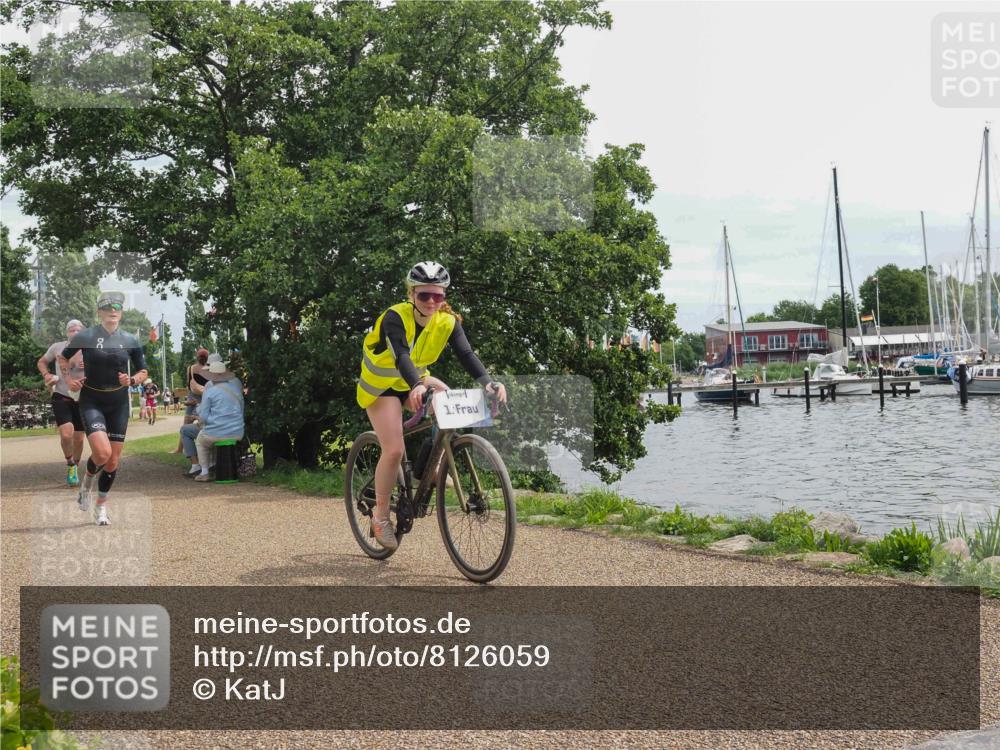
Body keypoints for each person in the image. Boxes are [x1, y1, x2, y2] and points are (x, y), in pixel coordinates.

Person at [356, 261, 506, 550]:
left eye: (438, 296)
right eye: (424, 295)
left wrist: (488, 382)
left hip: (415, 380)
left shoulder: (447, 322)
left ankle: (431, 468)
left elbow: (466, 354)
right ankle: (381, 517)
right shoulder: (394, 317)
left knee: (449, 403)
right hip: (381, 386)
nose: (431, 302)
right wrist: (416, 385)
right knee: (394, 449)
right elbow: (401, 356)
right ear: (411, 294)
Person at [59, 291, 148, 526]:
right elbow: (62, 358)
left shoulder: (130, 340)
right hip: (92, 401)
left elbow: (143, 371)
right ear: (99, 312)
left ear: (122, 312)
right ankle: (86, 484)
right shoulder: (86, 336)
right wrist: (68, 380)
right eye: (107, 307)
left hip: (118, 404)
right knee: (102, 453)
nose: (112, 311)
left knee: (113, 461)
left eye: (117, 307)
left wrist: (132, 380)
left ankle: (101, 507)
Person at [37, 319, 87, 486]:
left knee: (79, 438)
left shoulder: (89, 350)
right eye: (71, 330)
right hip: (61, 395)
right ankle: (70, 464)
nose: (75, 332)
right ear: (66, 333)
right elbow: (42, 362)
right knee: (66, 434)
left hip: (82, 398)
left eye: (78, 330)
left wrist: (89, 364)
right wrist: (47, 375)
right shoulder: (57, 347)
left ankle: (76, 467)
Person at [189, 359, 245, 482]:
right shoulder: (236, 389)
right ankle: (219, 468)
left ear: (211, 375)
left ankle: (205, 472)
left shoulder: (210, 391)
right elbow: (241, 410)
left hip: (217, 432)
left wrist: (209, 420)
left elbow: (203, 416)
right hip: (238, 431)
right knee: (212, 437)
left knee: (200, 442)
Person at [171, 348, 210, 453]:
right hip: (205, 397)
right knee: (205, 423)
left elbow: (188, 383)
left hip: (193, 397)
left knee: (186, 424)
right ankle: (203, 447)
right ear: (207, 358)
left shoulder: (191, 368)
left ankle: (180, 449)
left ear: (197, 357)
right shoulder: (210, 369)